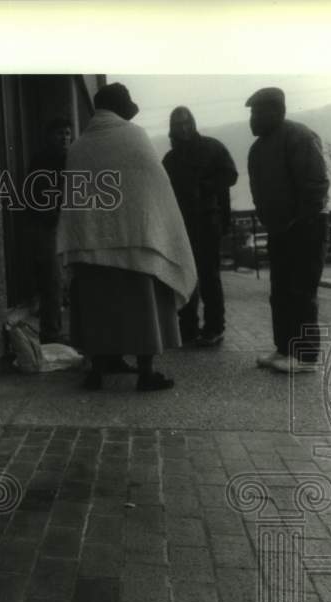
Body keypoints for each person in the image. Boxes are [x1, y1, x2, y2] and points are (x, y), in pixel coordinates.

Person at [57, 83, 197, 391]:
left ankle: (98, 370)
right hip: (136, 245)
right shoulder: (135, 138)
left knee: (97, 309)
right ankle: (146, 373)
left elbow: (75, 202)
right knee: (141, 309)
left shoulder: (80, 147)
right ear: (122, 109)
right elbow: (155, 189)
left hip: (90, 248)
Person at [245, 87, 330, 373]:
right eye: (251, 114)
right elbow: (259, 191)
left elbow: (316, 185)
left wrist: (299, 220)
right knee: (279, 292)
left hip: (306, 227)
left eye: (258, 113)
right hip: (279, 230)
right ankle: (284, 349)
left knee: (301, 292)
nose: (252, 120)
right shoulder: (258, 149)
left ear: (277, 112)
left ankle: (305, 356)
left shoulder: (299, 137)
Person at [162, 106, 238, 347]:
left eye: (186, 123)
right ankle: (187, 328)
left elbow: (231, 175)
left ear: (193, 123)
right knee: (185, 277)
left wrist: (205, 186)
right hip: (181, 226)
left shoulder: (212, 147)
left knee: (209, 277)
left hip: (207, 222)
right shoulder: (170, 159)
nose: (183, 128)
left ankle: (215, 328)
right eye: (178, 124)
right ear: (172, 129)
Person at [26, 117, 74, 343]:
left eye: (67, 133)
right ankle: (51, 334)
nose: (64, 138)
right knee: (52, 281)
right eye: (60, 133)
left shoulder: (71, 159)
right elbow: (38, 199)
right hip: (47, 227)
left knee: (61, 281)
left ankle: (56, 331)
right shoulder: (41, 162)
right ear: (49, 136)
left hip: (63, 225)